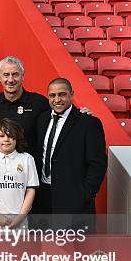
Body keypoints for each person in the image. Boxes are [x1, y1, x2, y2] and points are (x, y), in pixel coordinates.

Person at [33, 78, 107, 228]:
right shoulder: (41, 119)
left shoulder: (88, 123)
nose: (57, 100)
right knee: (45, 249)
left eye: (62, 94)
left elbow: (98, 163)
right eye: (52, 96)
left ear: (71, 94)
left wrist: (85, 194)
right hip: (43, 197)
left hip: (74, 201)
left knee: (79, 249)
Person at [0, 56, 50, 155]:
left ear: (23, 76)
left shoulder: (39, 103)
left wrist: (78, 112)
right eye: (6, 75)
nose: (11, 80)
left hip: (29, 166)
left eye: (15, 74)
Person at [0, 119, 38, 230]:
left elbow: (31, 190)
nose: (6, 140)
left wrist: (20, 217)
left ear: (17, 138)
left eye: (11, 136)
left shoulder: (27, 159)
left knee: (20, 248)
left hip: (20, 221)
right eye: (1, 136)